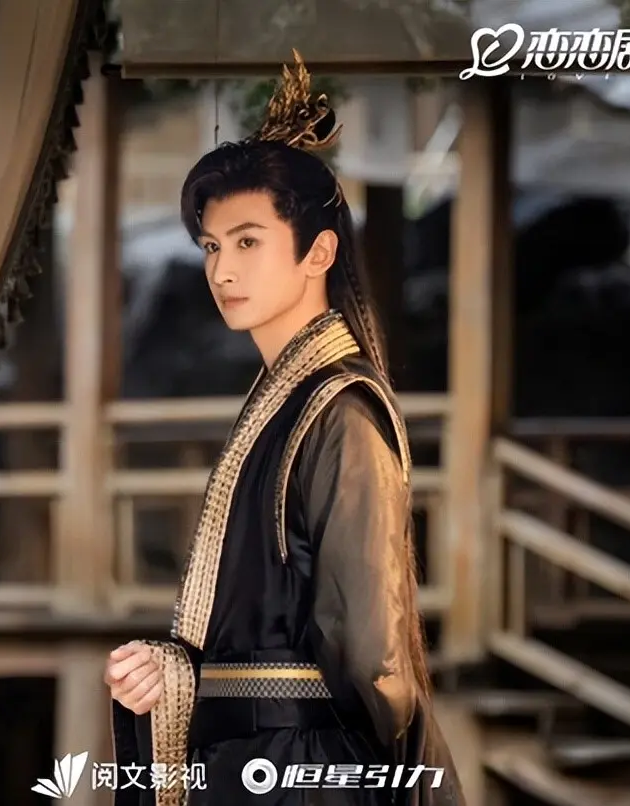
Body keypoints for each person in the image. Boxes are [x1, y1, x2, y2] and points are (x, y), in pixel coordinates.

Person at [104, 52, 463, 806]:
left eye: (247, 241)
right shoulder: (281, 404)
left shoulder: (341, 412)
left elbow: (373, 655)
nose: (221, 270)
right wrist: (169, 670)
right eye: (211, 246)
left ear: (318, 251)